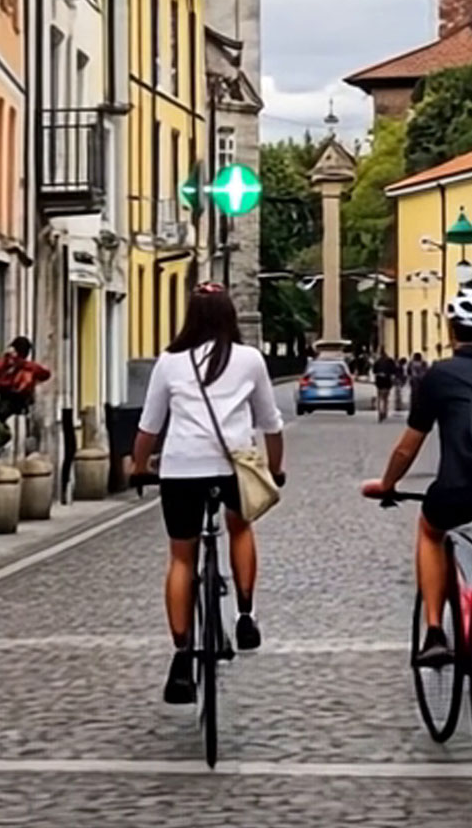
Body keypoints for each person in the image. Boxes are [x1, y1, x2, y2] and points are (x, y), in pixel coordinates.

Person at [361, 289, 472, 747]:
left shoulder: (441, 376)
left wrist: (386, 484)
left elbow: (409, 445)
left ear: (451, 332)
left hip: (465, 487)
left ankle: (436, 630)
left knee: (430, 528)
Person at [131, 283, 285, 705]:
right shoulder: (250, 360)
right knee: (240, 528)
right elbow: (271, 423)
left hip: (181, 468)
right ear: (229, 317)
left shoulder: (170, 361)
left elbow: (149, 426)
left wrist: (138, 466)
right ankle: (247, 614)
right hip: (233, 465)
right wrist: (275, 468)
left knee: (182, 557)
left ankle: (182, 657)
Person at [0, 337, 51, 421]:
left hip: (8, 399)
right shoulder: (22, 366)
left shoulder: (22, 367)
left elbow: (45, 374)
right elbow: (45, 374)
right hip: (12, 400)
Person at [372, 348, 398, 422]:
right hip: (387, 380)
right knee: (385, 397)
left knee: (380, 396)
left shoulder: (377, 361)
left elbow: (374, 371)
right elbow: (394, 371)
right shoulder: (390, 361)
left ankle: (380, 411)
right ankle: (384, 411)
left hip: (379, 380)